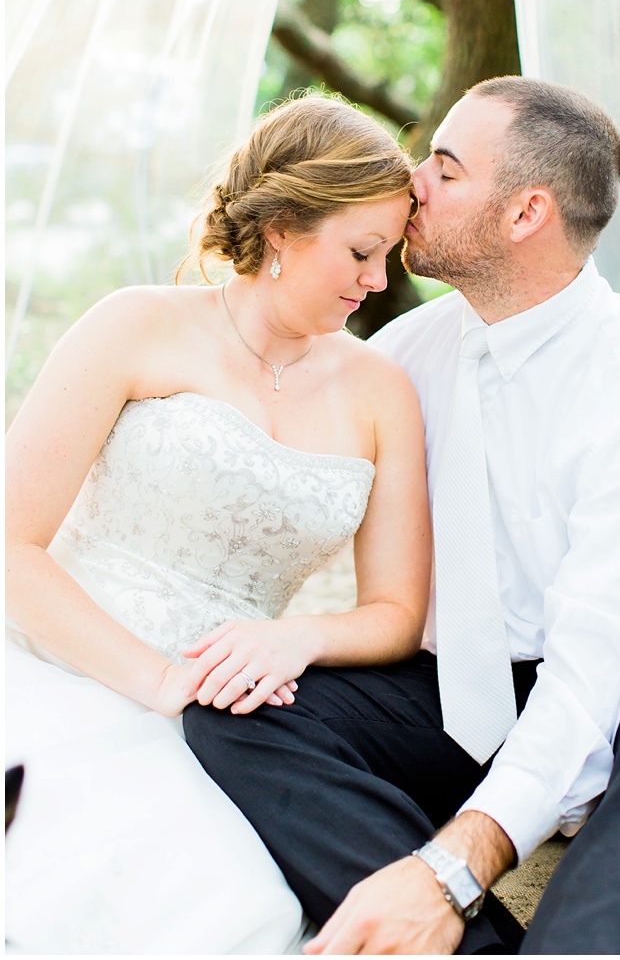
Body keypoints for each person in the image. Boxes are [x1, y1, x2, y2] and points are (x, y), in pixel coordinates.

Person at [184, 76, 620, 956]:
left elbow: (591, 669)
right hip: (455, 693)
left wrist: (458, 859)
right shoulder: (401, 357)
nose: (412, 180)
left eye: (445, 169)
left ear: (526, 212)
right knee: (235, 709)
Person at [5, 95, 432, 955]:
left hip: (236, 711)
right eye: (360, 250)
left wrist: (299, 638)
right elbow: (10, 544)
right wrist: (157, 680)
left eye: (389, 255)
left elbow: (396, 613)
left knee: (238, 905)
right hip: (63, 660)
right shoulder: (135, 325)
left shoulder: (381, 390)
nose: (379, 281)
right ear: (280, 226)